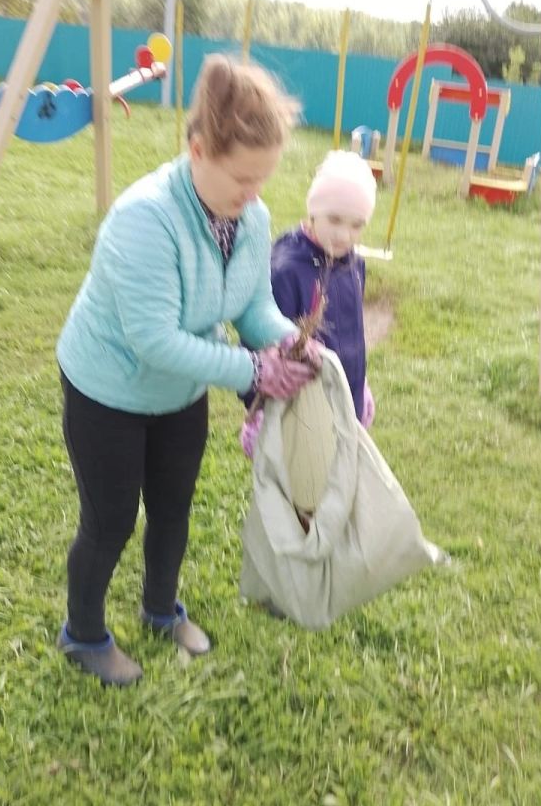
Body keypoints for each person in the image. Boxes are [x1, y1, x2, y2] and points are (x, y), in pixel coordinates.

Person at [56, 54, 322, 686]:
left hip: (180, 393)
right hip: (108, 390)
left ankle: (159, 611)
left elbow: (252, 304)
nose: (252, 195)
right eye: (241, 179)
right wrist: (252, 370)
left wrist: (290, 344)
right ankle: (83, 634)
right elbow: (154, 340)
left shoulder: (249, 219)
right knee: (111, 519)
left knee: (173, 508)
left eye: (262, 180)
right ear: (198, 149)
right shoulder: (144, 218)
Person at [240, 149, 377, 458]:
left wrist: (358, 387)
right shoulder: (286, 269)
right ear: (313, 210)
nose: (344, 234)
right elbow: (257, 342)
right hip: (299, 413)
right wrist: (258, 406)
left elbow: (352, 334)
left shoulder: (354, 266)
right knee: (298, 497)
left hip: (342, 407)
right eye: (335, 219)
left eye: (357, 225)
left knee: (336, 494)